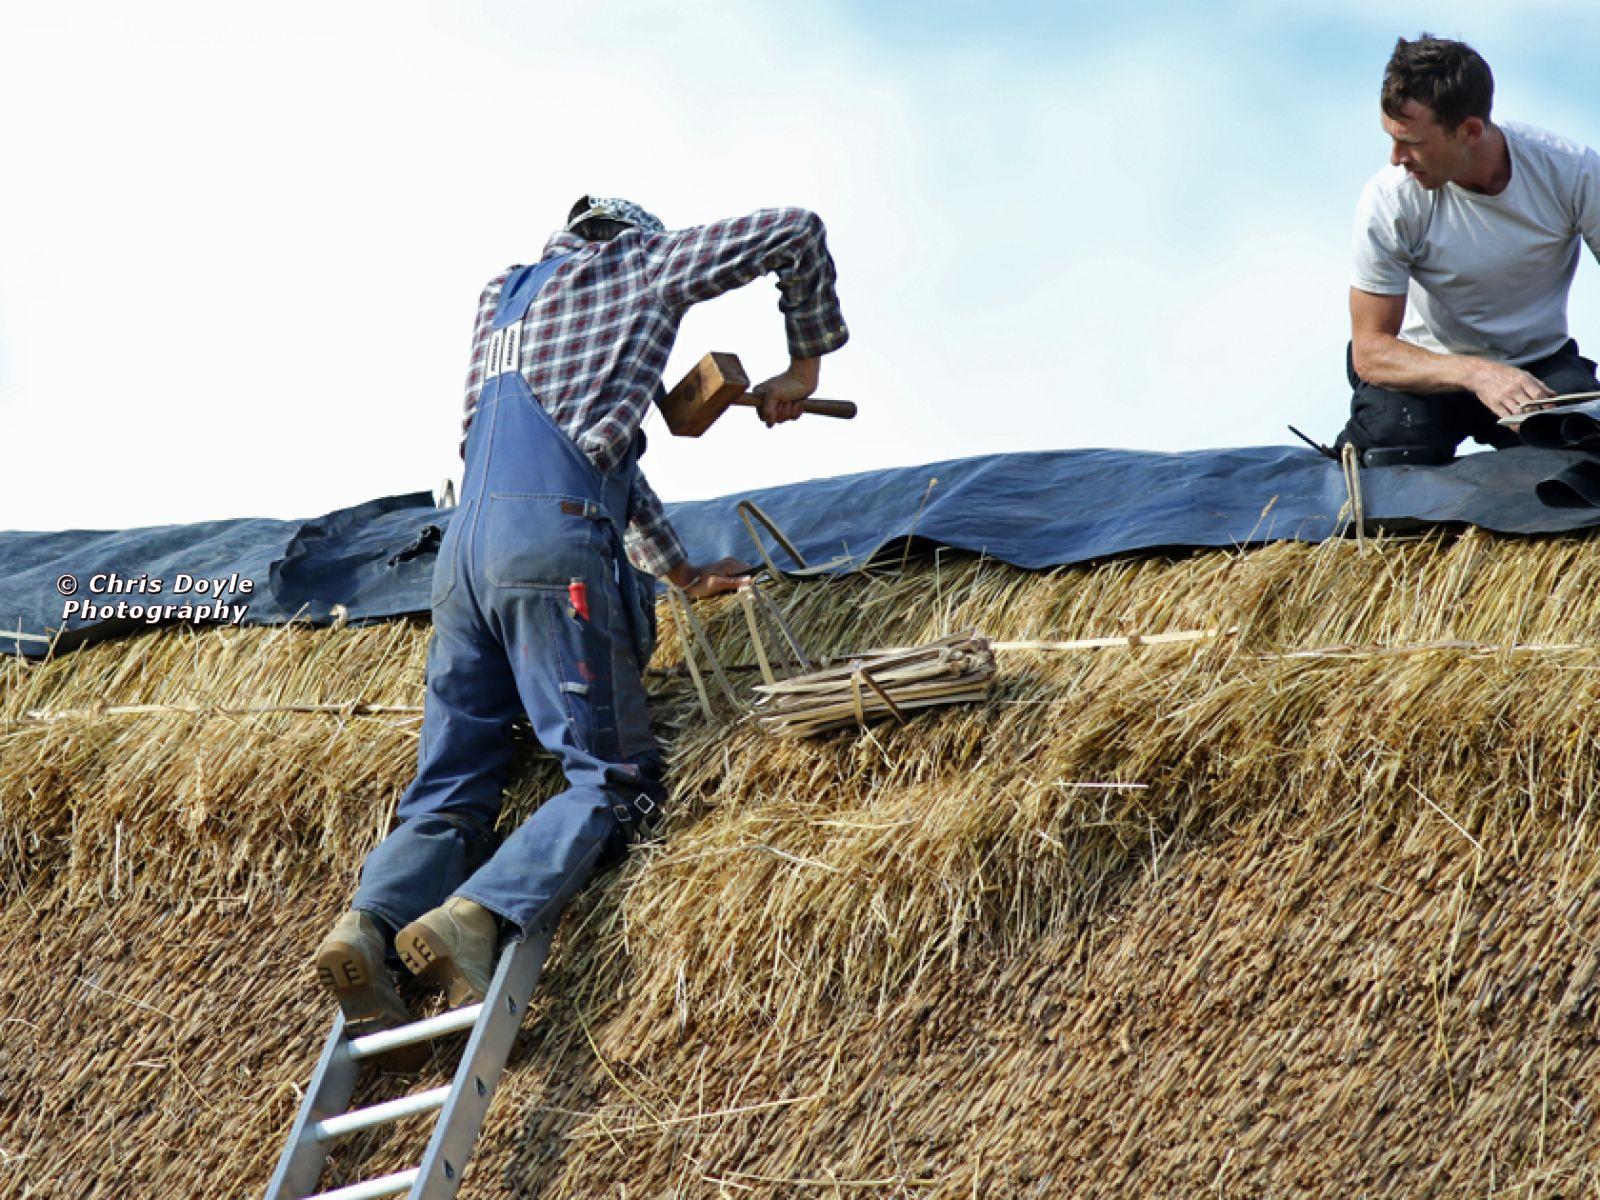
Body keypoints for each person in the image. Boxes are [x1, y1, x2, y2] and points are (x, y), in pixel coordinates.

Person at [311, 196, 849, 1037]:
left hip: (463, 561)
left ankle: (369, 925)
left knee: (451, 786)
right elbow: (796, 231)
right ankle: (477, 916)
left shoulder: (503, 302)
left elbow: (606, 456)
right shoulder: (640, 264)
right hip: (548, 549)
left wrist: (677, 570)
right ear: (635, 235)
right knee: (613, 776)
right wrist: (803, 370)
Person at [1335, 34, 1600, 466]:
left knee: (1580, 458)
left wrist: (1516, 382)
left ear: (1469, 131)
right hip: (1425, 369)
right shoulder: (1389, 198)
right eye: (1391, 138)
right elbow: (1370, 351)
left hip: (1538, 364)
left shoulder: (1572, 172)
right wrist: (1478, 373)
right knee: (1390, 454)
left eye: (1413, 143)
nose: (1396, 158)